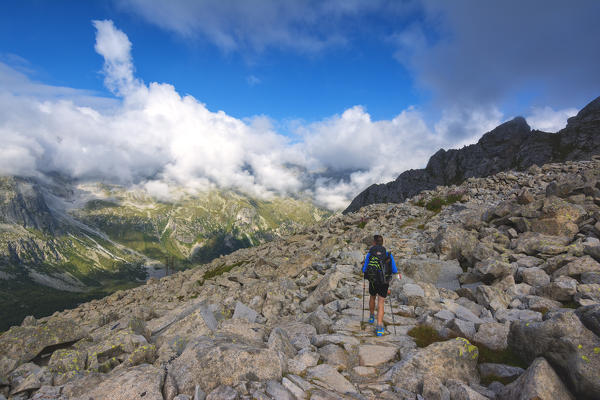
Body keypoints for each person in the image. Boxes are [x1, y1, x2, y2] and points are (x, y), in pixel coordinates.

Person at [362, 234, 400, 336]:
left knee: (372, 297)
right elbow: (394, 270)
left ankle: (371, 316)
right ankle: (379, 326)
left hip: (373, 281)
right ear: (382, 243)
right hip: (384, 281)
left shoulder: (370, 254)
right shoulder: (388, 254)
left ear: (374, 243)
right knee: (381, 302)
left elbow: (364, 269)